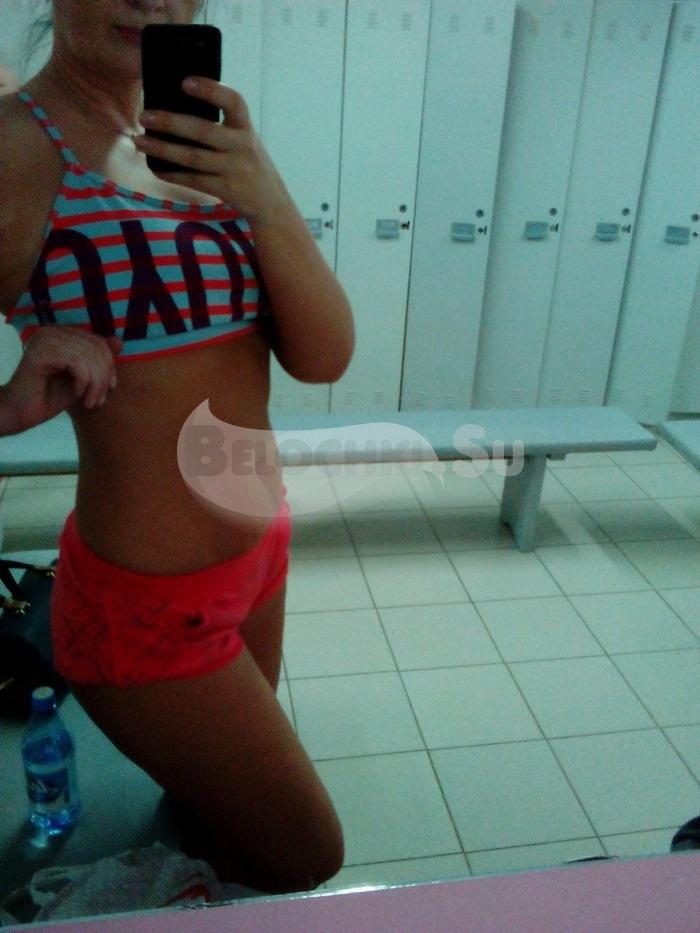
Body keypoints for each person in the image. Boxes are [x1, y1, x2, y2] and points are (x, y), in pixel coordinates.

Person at [0, 0, 354, 894]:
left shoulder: (198, 144)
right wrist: (5, 406)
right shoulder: (18, 147)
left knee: (221, 812)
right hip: (146, 611)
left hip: (259, 551)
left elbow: (323, 355)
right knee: (306, 852)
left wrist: (266, 195)